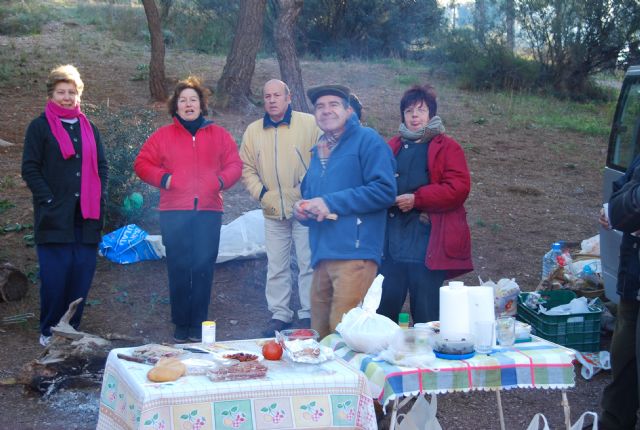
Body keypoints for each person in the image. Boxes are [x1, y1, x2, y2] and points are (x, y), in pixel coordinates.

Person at [134, 76, 242, 343]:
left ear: (201, 105)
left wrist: (218, 181)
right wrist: (165, 179)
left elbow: (234, 165)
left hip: (208, 211)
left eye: (193, 99)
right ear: (176, 106)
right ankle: (181, 324)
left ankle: (198, 323)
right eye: (183, 100)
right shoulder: (163, 135)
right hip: (174, 211)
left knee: (203, 266)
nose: (188, 104)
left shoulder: (218, 134)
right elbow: (142, 163)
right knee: (179, 267)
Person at [294, 84, 397, 339]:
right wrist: (303, 210)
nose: (326, 111)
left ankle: (352, 381)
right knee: (320, 335)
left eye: (333, 105)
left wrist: (329, 202)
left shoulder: (368, 140)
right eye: (320, 106)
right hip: (321, 256)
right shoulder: (319, 150)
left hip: (355, 255)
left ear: (349, 110)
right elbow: (312, 196)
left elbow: (385, 190)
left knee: (343, 336)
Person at [22, 64, 108, 347]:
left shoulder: (89, 128)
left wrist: (99, 196)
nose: (67, 97)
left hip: (87, 217)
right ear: (51, 94)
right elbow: (30, 168)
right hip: (54, 218)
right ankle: (49, 330)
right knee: (55, 278)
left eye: (72, 92)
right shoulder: (40, 127)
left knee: (81, 276)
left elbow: (102, 167)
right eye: (61, 92)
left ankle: (71, 329)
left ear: (78, 95)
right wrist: (47, 198)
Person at [376, 84, 473, 325]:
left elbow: (458, 188)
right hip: (392, 243)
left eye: (421, 110)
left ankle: (429, 360)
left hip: (428, 242)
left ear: (431, 114)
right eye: (409, 111)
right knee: (384, 309)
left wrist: (417, 199)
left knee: (427, 314)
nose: (415, 116)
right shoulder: (392, 146)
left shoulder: (448, 147)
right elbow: (377, 182)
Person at [239, 79, 320, 336]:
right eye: (267, 96)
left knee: (307, 262)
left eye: (277, 95)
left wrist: (307, 192)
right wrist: (262, 194)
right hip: (273, 209)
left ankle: (307, 313)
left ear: (289, 97)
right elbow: (247, 167)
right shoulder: (253, 131)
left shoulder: (309, 124)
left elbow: (323, 158)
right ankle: (280, 313)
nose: (272, 100)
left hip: (304, 207)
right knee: (276, 264)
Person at [596, 155, 640, 430]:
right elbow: (622, 190)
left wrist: (619, 211)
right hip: (632, 278)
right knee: (624, 356)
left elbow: (632, 204)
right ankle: (613, 422)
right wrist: (611, 211)